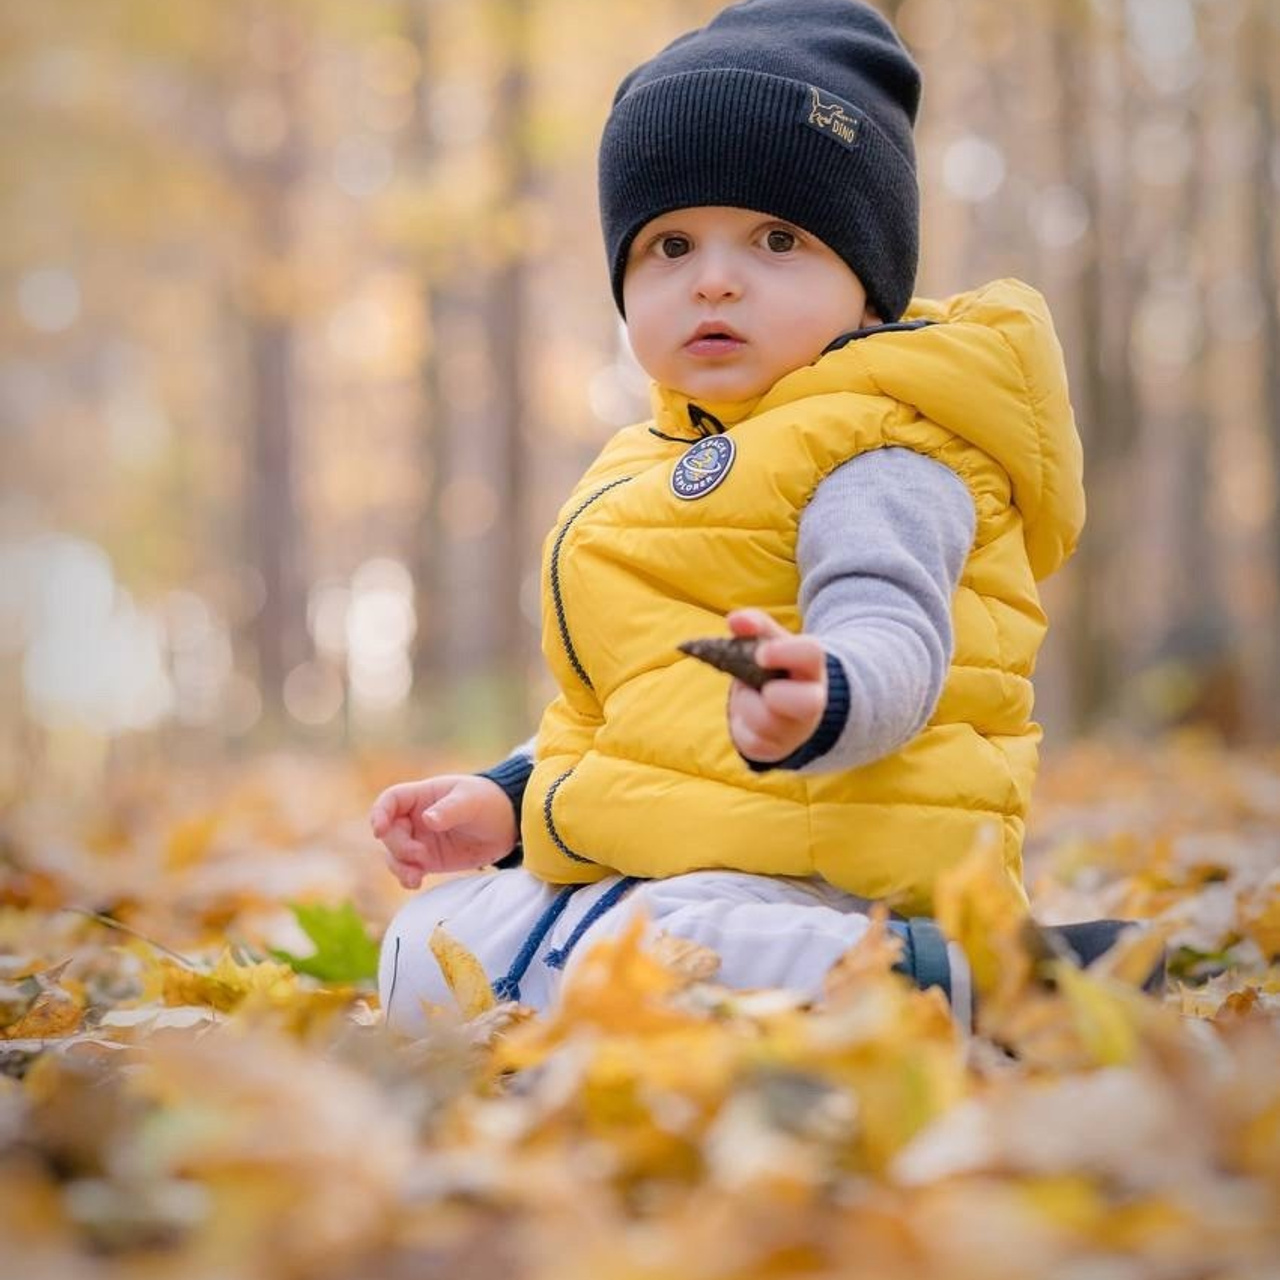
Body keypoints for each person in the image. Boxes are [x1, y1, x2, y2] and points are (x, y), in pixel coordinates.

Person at [371, 0, 1091, 1035]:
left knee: (644, 949)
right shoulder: (644, 470)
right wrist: (508, 802)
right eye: (670, 244)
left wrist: (827, 691)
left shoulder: (881, 448)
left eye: (776, 240)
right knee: (424, 949)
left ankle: (977, 977)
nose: (713, 280)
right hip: (693, 858)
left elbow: (896, 629)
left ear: (869, 291)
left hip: (839, 871)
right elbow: (633, 713)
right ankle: (748, 986)